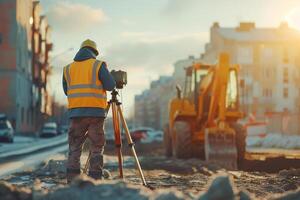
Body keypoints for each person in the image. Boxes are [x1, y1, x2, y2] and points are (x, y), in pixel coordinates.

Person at [62, 39, 116, 183]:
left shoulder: (67, 68)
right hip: (96, 114)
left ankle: (72, 181)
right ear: (94, 53)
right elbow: (111, 85)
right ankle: (95, 179)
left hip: (76, 114)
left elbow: (67, 91)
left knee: (74, 147)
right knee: (97, 147)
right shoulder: (98, 65)